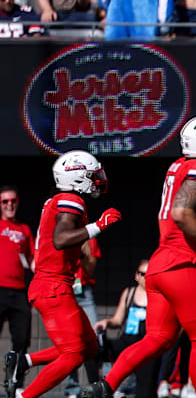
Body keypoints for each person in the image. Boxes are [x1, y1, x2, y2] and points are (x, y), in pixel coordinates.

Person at [81, 115, 196, 398]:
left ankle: (105, 386)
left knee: (158, 339)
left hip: (160, 263)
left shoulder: (178, 165)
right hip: (183, 263)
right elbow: (181, 212)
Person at [3, 150, 120, 398]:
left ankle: (23, 362)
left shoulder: (61, 199)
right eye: (91, 174)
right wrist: (98, 226)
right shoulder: (71, 200)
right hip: (53, 286)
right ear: (77, 177)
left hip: (52, 283)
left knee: (88, 347)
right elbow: (60, 239)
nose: (97, 178)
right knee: (73, 354)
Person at [94, 260, 163, 398]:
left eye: (150, 274)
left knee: (145, 391)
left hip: (147, 346)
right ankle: (99, 388)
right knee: (93, 349)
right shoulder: (129, 293)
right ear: (136, 276)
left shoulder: (159, 296)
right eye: (142, 274)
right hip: (127, 341)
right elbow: (117, 320)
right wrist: (106, 322)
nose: (146, 278)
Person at [0, 186, 33, 371]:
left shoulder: (24, 229)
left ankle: (16, 383)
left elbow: (32, 259)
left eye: (13, 201)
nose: (9, 205)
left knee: (22, 338)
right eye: (5, 201)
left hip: (19, 291)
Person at [64, 239, 102, 398]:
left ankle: (98, 385)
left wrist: (83, 254)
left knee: (96, 337)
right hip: (65, 289)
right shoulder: (62, 233)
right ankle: (72, 389)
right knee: (67, 342)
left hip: (84, 292)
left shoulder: (90, 238)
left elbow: (91, 269)